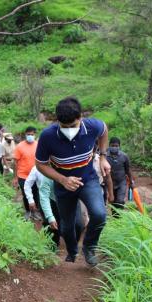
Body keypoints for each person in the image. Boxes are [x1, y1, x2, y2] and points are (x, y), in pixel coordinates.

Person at [36, 96, 111, 266]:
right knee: (67, 225)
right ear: (58, 121)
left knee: (99, 214)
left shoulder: (93, 126)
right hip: (63, 186)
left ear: (80, 118)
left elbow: (104, 130)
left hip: (87, 179)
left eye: (73, 126)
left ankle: (89, 247)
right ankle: (71, 251)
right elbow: (40, 164)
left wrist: (103, 157)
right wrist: (62, 179)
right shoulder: (48, 136)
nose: (69, 130)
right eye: (65, 127)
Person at [39, 175, 84, 250]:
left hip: (71, 200)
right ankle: (52, 247)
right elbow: (44, 196)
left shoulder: (76, 171)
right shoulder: (48, 176)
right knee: (52, 225)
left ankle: (72, 243)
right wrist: (50, 217)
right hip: (53, 201)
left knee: (78, 224)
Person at [13, 126, 38, 218]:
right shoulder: (20, 146)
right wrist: (15, 177)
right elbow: (15, 163)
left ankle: (35, 211)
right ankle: (28, 211)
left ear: (35, 135)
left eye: (32, 134)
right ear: (25, 135)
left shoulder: (38, 145)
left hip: (36, 175)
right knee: (25, 194)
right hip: (23, 175)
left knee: (35, 193)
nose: (30, 136)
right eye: (28, 134)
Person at [107, 137, 134, 215]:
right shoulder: (104, 156)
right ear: (109, 145)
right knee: (113, 201)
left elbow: (128, 170)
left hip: (122, 182)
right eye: (112, 145)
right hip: (110, 183)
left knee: (120, 201)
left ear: (119, 146)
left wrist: (131, 182)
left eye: (116, 146)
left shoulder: (124, 156)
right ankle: (115, 216)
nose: (114, 147)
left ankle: (119, 216)